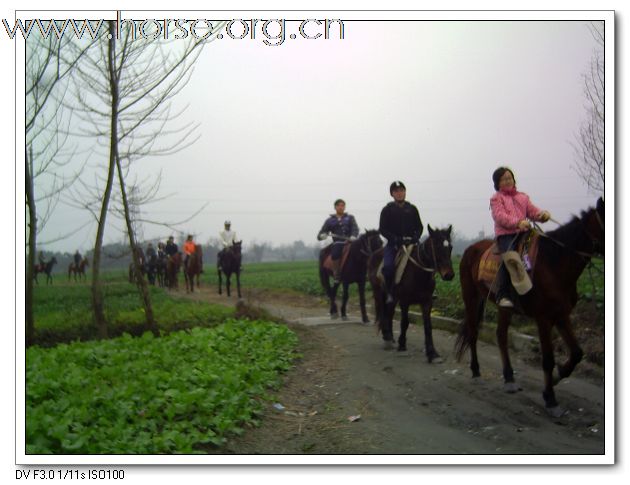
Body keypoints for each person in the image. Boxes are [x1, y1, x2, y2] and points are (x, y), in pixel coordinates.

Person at [490, 166, 551, 308]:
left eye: (509, 178)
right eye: (503, 179)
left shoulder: (523, 197)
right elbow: (500, 217)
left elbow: (532, 211)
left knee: (537, 251)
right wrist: (518, 222)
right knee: (510, 258)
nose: (507, 181)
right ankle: (502, 294)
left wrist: (542, 215)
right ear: (497, 183)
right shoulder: (496, 199)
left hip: (524, 233)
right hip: (506, 235)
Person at [379, 181, 423, 304]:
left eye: (401, 190)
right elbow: (382, 229)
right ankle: (389, 292)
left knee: (427, 261)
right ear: (392, 194)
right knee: (388, 268)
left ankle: (427, 291)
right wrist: (395, 239)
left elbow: (419, 227)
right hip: (394, 245)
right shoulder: (387, 210)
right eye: (396, 191)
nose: (399, 193)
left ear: (405, 192)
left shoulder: (412, 209)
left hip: (412, 243)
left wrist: (415, 237)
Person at [317, 199, 359, 282]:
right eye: (339, 205)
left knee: (362, 251)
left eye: (343, 205)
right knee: (335, 254)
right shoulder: (329, 220)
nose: (341, 207)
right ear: (335, 207)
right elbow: (321, 234)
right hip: (338, 243)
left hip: (351, 241)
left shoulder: (350, 218)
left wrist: (354, 235)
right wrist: (322, 235)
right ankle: (337, 275)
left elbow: (355, 228)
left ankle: (364, 273)